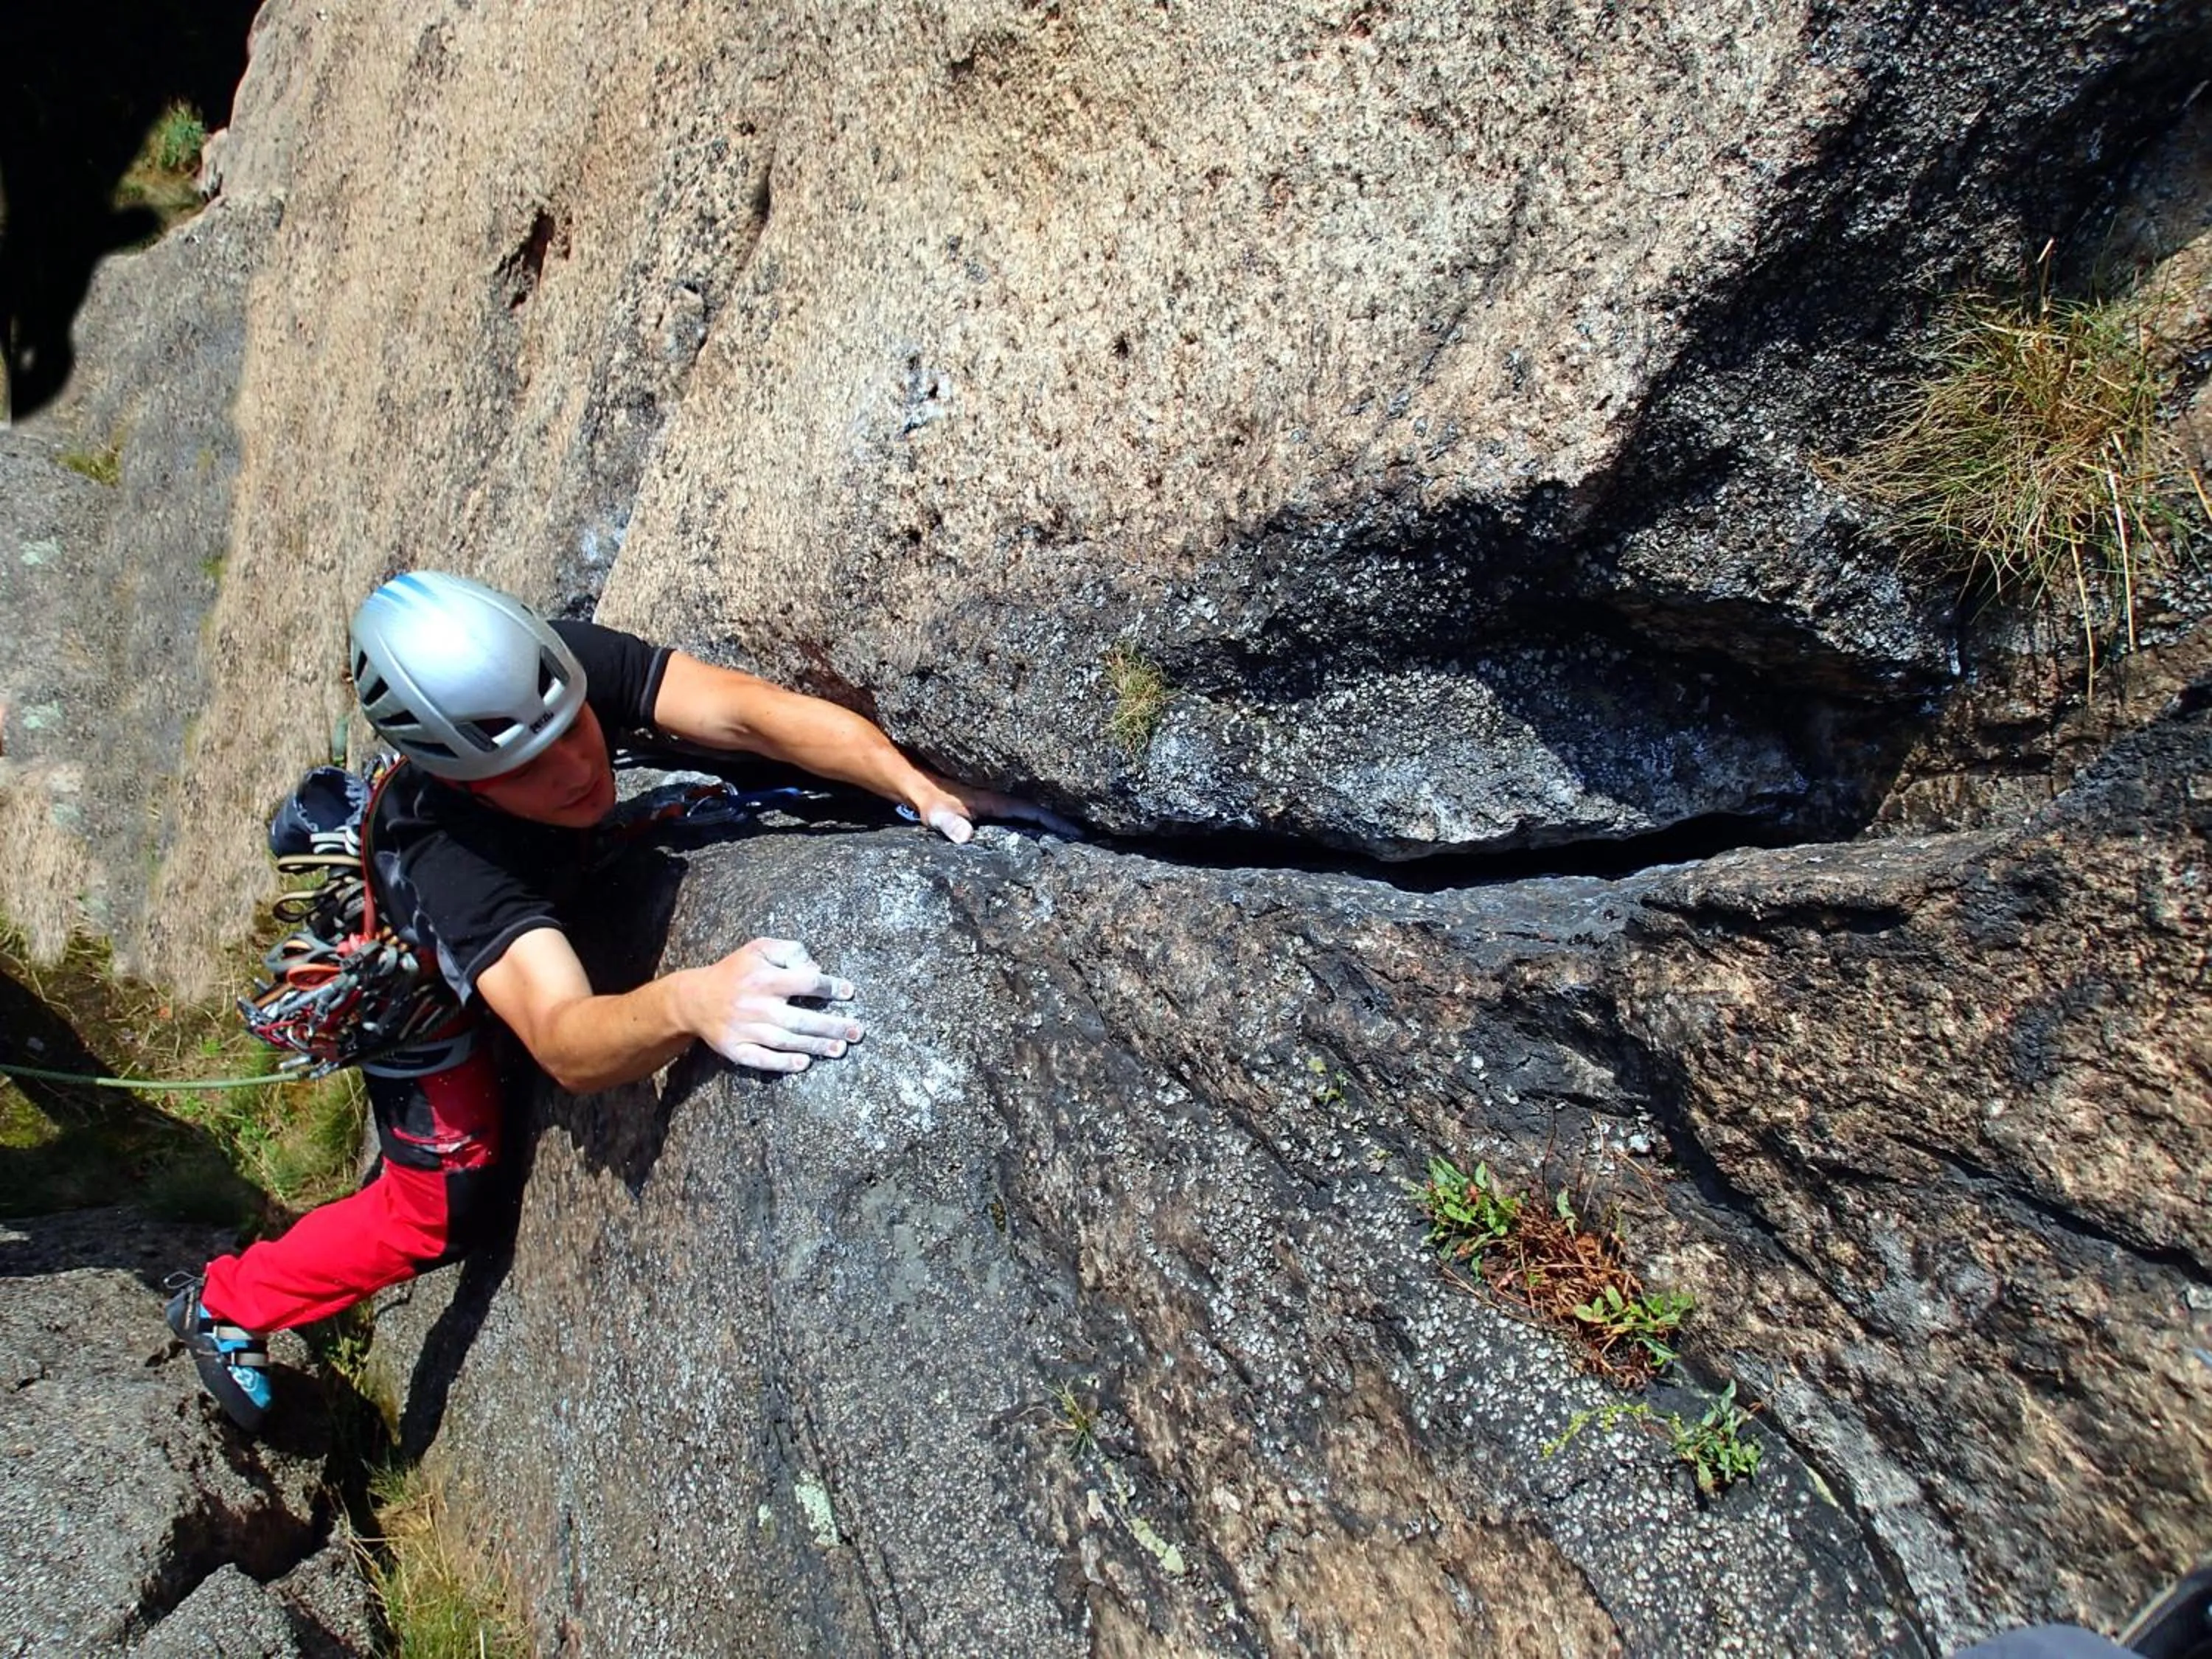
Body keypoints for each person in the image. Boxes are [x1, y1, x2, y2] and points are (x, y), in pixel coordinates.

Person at [166, 570, 1067, 1430]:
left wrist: (911, 784)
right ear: (463, 781)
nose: (576, 767)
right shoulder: (450, 858)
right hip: (423, 983)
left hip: (534, 889)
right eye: (528, 765)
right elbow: (564, 1039)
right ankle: (225, 1302)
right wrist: (689, 1003)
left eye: (574, 727)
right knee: (441, 1212)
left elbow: (750, 714)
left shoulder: (555, 666)